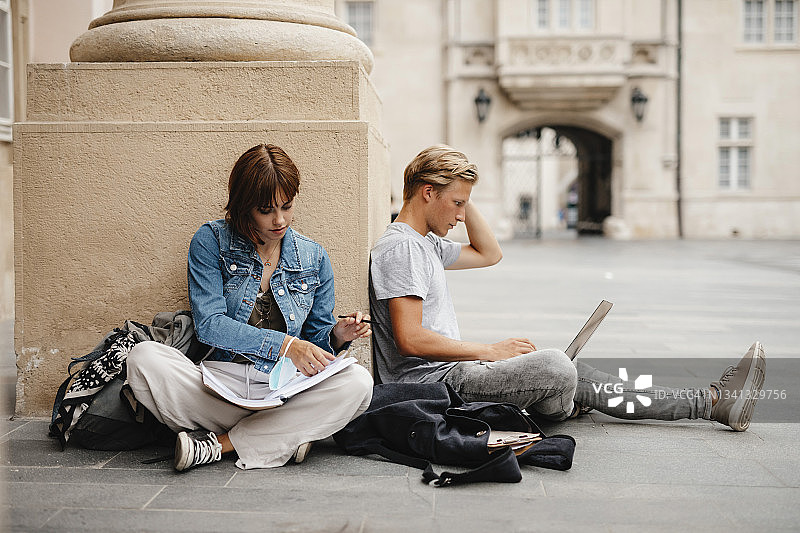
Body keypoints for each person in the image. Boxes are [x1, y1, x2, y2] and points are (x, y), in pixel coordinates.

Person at [369, 144, 766, 431]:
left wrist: (461, 191)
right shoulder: (403, 249)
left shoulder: (425, 243)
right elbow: (410, 339)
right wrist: (490, 351)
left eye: (463, 206)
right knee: (558, 367)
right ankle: (559, 405)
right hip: (435, 386)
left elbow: (489, 253)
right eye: (456, 204)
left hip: (457, 372)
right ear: (428, 192)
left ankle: (710, 403)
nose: (460, 215)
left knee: (568, 368)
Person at [127, 143, 374, 471]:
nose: (279, 220)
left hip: (283, 390)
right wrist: (286, 346)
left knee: (358, 383)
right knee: (144, 358)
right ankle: (282, 436)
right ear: (244, 206)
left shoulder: (313, 257)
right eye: (266, 210)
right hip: (220, 386)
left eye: (287, 206)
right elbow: (210, 325)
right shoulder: (211, 241)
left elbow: (314, 342)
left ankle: (218, 444)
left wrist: (338, 335)